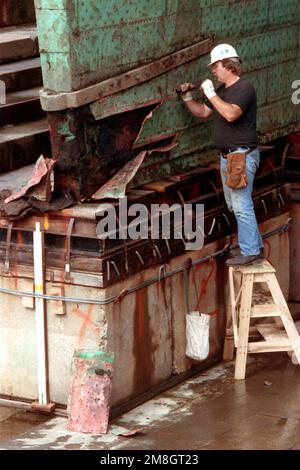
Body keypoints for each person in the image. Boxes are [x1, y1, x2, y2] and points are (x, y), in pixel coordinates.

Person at [179, 43, 264, 266]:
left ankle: (251, 250)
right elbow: (204, 112)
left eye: (215, 66)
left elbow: (230, 114)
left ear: (227, 65)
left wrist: (209, 92)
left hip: (241, 155)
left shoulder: (244, 88)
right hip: (229, 156)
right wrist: (188, 97)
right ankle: (252, 246)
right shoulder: (222, 92)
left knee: (241, 204)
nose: (213, 71)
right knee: (235, 204)